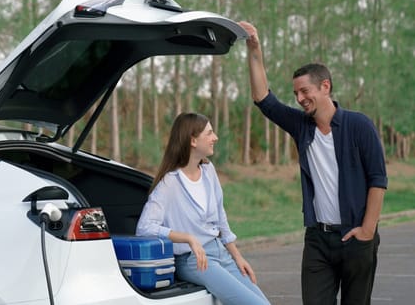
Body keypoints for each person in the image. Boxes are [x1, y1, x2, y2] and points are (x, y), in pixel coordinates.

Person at [238, 21, 388, 305]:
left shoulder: (359, 125)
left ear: (325, 86)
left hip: (356, 236)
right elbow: (263, 99)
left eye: (305, 91)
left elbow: (378, 180)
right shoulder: (302, 126)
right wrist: (254, 50)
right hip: (318, 239)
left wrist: (367, 231)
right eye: (296, 93)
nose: (300, 98)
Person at [136, 112, 270, 305]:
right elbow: (145, 227)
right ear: (193, 140)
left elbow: (220, 216)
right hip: (193, 260)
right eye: (209, 133)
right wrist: (187, 238)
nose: (215, 138)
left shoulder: (208, 170)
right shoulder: (169, 183)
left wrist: (237, 257)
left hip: (220, 253)